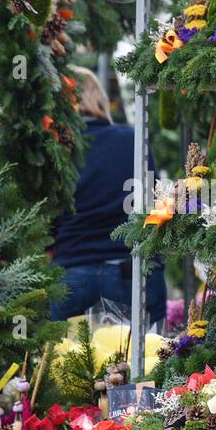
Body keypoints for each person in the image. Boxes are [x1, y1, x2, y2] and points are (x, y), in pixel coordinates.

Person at [50, 67, 166, 326]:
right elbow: (153, 204)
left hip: (73, 273)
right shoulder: (132, 139)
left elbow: (47, 218)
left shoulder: (57, 148)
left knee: (61, 361)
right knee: (148, 356)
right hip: (130, 271)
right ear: (99, 99)